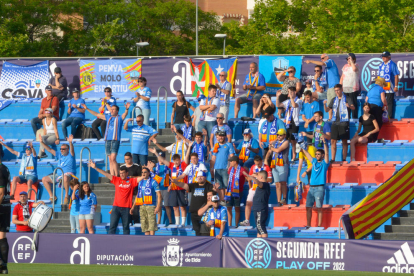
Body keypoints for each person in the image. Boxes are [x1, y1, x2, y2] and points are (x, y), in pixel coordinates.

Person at [89, 160, 140, 235]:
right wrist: (96, 168)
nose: (122, 175)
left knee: (126, 228)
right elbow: (106, 174)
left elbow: (142, 177)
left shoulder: (132, 181)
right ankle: (110, 243)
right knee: (112, 227)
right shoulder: (117, 180)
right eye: (120, 173)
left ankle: (126, 245)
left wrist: (149, 170)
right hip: (116, 208)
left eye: (123, 173)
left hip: (126, 208)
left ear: (127, 173)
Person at [83, 102, 131, 176]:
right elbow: (96, 114)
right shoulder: (108, 117)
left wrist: (127, 109)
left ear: (117, 111)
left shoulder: (119, 118)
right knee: (110, 159)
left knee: (113, 158)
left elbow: (125, 114)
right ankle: (112, 176)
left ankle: (117, 176)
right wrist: (87, 108)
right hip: (107, 140)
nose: (111, 110)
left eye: (113, 109)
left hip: (115, 140)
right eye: (111, 109)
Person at [171, 168, 213, 236]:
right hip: (194, 213)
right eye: (199, 176)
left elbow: (214, 192)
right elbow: (184, 185)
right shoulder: (194, 185)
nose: (200, 178)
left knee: (204, 232)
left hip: (204, 213)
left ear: (205, 177)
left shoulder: (209, 186)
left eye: (202, 176)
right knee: (197, 231)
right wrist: (175, 182)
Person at [150, 149, 188, 226]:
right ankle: (177, 223)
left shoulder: (183, 165)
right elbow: (163, 161)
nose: (176, 162)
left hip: (182, 189)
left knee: (182, 207)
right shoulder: (171, 165)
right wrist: (156, 153)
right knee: (175, 207)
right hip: (173, 189)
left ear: (180, 160)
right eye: (175, 160)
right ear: (173, 161)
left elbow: (187, 157)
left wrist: (189, 147)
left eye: (177, 160)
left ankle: (183, 224)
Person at [300, 136, 329, 228]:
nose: (317, 156)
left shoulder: (324, 163)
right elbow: (307, 154)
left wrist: (324, 143)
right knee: (308, 207)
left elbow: (327, 153)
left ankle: (319, 226)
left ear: (322, 155)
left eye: (319, 154)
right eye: (316, 154)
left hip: (319, 188)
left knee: (319, 207)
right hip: (311, 187)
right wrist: (301, 146)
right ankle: (308, 225)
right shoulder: (314, 162)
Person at [41, 134, 76, 204]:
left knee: (65, 177)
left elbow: (72, 151)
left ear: (67, 149)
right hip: (58, 175)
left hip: (69, 174)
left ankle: (66, 195)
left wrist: (70, 143)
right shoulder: (59, 155)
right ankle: (52, 196)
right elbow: (50, 150)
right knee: (44, 179)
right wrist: (41, 142)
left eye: (63, 149)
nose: (61, 150)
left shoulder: (71, 155)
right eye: (60, 149)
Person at [324, 84, 355, 162]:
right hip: (335, 122)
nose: (336, 92)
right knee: (333, 141)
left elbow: (353, 107)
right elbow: (327, 110)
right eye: (335, 90)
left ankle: (344, 159)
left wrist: (349, 106)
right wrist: (324, 105)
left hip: (344, 123)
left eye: (338, 90)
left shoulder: (347, 98)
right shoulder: (334, 99)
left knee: (344, 141)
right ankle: (333, 159)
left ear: (341, 90)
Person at [305, 54, 341, 120]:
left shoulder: (330, 61)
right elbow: (319, 88)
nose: (322, 60)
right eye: (321, 58)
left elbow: (322, 63)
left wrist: (311, 61)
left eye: (323, 58)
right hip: (330, 88)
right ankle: (328, 117)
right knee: (329, 103)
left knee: (333, 103)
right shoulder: (326, 70)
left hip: (334, 86)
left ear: (327, 57)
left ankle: (334, 117)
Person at [299, 111, 331, 183]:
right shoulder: (315, 125)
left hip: (322, 149)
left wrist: (322, 134)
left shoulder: (326, 125)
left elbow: (329, 137)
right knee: (313, 165)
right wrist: (306, 134)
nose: (314, 118)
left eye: (316, 116)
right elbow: (314, 136)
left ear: (321, 117)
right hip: (315, 149)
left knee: (321, 168)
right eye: (314, 116)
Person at [240, 155, 272, 226]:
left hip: (262, 189)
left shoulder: (266, 167)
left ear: (261, 161)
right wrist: (250, 187)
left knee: (261, 205)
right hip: (254, 188)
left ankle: (263, 222)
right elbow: (249, 178)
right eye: (255, 163)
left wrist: (258, 177)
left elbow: (270, 179)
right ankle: (247, 221)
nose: (257, 165)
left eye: (258, 164)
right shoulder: (253, 167)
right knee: (248, 203)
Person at [130, 167, 161, 235]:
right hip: (142, 207)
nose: (143, 173)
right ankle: (147, 242)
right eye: (142, 172)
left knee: (151, 226)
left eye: (145, 172)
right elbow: (138, 195)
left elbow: (159, 195)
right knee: (145, 227)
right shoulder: (140, 182)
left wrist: (158, 207)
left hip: (151, 206)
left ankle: (152, 242)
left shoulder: (153, 182)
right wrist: (133, 207)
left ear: (149, 173)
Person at [276, 86, 303, 162]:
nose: (289, 94)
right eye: (288, 92)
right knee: (286, 140)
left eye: (291, 92)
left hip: (294, 123)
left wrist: (291, 97)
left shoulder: (299, 100)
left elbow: (294, 105)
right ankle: (286, 156)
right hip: (287, 122)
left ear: (295, 92)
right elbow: (278, 105)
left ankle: (294, 157)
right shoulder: (287, 101)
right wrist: (277, 97)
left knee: (293, 141)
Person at [243, 170, 270, 238]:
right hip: (257, 209)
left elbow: (258, 182)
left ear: (261, 177)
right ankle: (258, 246)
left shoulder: (265, 185)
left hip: (260, 209)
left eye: (258, 176)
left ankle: (265, 244)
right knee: (258, 229)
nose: (256, 177)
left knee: (261, 227)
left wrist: (250, 176)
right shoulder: (262, 186)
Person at [266, 129, 289, 206]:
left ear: (284, 135)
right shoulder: (275, 142)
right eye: (278, 135)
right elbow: (270, 151)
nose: (279, 136)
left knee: (283, 183)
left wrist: (271, 148)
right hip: (274, 164)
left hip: (283, 164)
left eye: (280, 135)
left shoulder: (286, 142)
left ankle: (284, 199)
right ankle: (279, 201)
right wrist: (266, 159)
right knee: (277, 184)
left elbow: (278, 150)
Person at [211, 131, 235, 204]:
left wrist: (230, 167)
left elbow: (232, 157)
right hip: (217, 169)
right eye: (219, 136)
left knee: (226, 186)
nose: (221, 137)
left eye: (222, 136)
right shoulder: (216, 145)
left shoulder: (229, 145)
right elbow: (213, 157)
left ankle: (227, 201)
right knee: (219, 187)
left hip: (225, 168)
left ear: (225, 137)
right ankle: (222, 202)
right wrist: (212, 168)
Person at [147, 157, 172, 225]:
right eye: (159, 158)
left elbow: (172, 177)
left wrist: (170, 185)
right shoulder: (155, 167)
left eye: (162, 158)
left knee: (167, 205)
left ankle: (170, 221)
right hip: (158, 189)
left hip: (166, 188)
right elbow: (151, 175)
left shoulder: (168, 167)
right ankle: (158, 221)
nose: (160, 160)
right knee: (159, 206)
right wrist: (151, 167)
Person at [225, 156, 247, 227]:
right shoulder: (230, 169)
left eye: (231, 161)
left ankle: (236, 225)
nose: (230, 162)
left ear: (235, 162)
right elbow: (229, 178)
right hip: (229, 191)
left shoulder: (242, 170)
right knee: (229, 208)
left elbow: (248, 178)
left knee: (237, 208)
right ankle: (229, 225)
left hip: (238, 192)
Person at [378, 51, 400, 119]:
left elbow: (396, 75)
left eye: (385, 56)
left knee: (389, 103)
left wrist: (396, 86)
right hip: (382, 87)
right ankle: (381, 117)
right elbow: (379, 76)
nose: (383, 58)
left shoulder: (392, 64)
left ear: (389, 57)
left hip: (390, 87)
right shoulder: (381, 65)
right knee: (381, 102)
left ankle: (389, 117)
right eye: (383, 56)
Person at [340, 53, 359, 119]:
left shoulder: (356, 65)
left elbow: (354, 69)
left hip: (353, 88)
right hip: (345, 88)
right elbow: (342, 76)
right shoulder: (345, 66)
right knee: (346, 104)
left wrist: (351, 62)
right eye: (347, 59)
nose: (348, 60)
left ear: (353, 59)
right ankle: (347, 118)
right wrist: (340, 85)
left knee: (353, 103)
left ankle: (354, 118)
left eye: (349, 58)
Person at [0, 156, 11, 274]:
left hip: (1, 205)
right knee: (1, 236)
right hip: (6, 205)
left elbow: (1, 192)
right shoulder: (6, 169)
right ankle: (4, 266)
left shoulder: (0, 170)